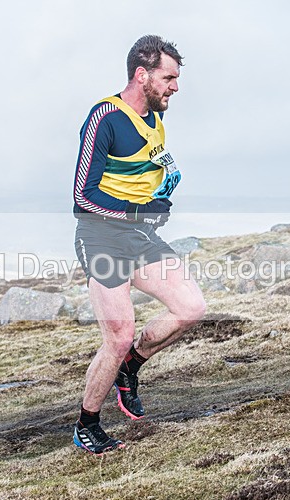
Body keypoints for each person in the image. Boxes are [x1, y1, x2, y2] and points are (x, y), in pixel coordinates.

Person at [71, 35, 206, 455]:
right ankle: (87, 425)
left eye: (177, 78)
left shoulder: (155, 119)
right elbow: (83, 194)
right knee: (118, 335)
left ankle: (132, 366)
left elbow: (149, 174)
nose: (175, 87)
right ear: (141, 74)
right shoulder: (105, 118)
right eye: (169, 77)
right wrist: (136, 212)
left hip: (140, 237)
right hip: (102, 239)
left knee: (191, 308)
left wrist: (161, 200)